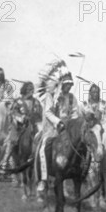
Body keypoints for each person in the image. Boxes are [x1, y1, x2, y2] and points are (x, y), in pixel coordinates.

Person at [35, 72, 82, 201]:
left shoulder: (72, 98)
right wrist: (59, 122)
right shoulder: (52, 96)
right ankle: (43, 180)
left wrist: (72, 122)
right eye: (66, 85)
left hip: (68, 129)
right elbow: (48, 112)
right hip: (52, 129)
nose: (68, 87)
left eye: (70, 85)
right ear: (61, 84)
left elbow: (74, 113)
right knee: (43, 148)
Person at [0, 81, 43, 172]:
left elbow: (40, 114)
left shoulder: (36, 102)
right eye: (29, 89)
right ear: (25, 90)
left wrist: (36, 120)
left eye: (32, 89)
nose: (31, 91)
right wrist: (22, 118)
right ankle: (5, 162)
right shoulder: (18, 101)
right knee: (12, 140)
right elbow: (13, 113)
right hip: (19, 125)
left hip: (34, 124)